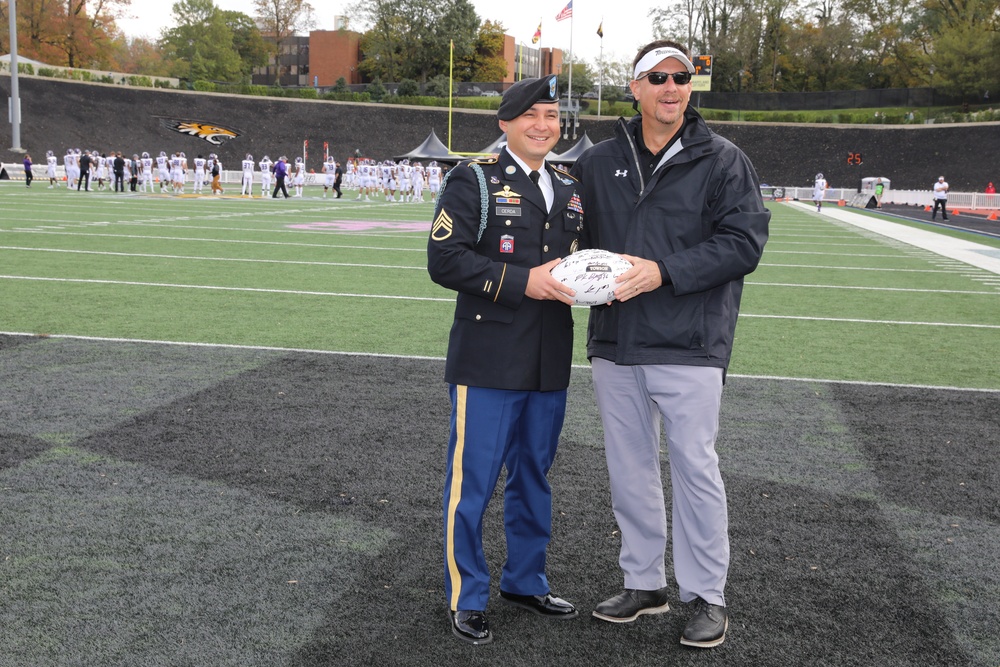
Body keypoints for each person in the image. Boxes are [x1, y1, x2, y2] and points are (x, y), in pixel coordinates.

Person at [571, 40, 770, 649]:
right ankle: (644, 582)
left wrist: (663, 271)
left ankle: (707, 594)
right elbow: (571, 234)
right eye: (657, 77)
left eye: (681, 77)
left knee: (695, 470)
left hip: (689, 340)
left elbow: (744, 243)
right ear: (634, 87)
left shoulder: (724, 158)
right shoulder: (598, 160)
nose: (671, 87)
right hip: (616, 340)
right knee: (629, 470)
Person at [426, 74, 585, 646]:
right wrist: (525, 283)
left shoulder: (569, 184)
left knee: (534, 478)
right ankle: (466, 595)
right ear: (505, 124)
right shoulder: (474, 180)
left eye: (551, 116)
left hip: (549, 357)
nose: (543, 126)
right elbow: (444, 261)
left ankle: (525, 580)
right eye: (530, 116)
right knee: (473, 484)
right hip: (488, 357)